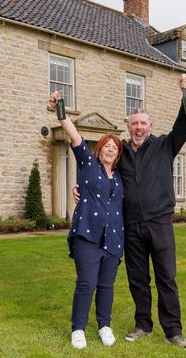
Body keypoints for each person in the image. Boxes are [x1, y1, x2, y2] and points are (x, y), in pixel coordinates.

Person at [75, 74, 186, 349]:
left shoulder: (166, 145)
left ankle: (173, 331)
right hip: (131, 226)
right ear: (128, 128)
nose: (138, 128)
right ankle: (143, 324)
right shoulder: (120, 154)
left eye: (143, 123)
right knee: (138, 279)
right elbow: (99, 174)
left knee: (166, 277)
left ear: (150, 126)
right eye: (134, 124)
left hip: (160, 223)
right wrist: (81, 189)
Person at [49, 90, 125, 350]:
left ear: (117, 154)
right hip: (88, 235)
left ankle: (104, 325)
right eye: (107, 146)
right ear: (99, 149)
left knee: (106, 285)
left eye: (115, 148)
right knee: (86, 283)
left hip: (114, 239)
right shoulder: (87, 164)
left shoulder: (119, 177)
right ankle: (78, 328)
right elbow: (74, 134)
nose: (111, 150)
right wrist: (60, 108)